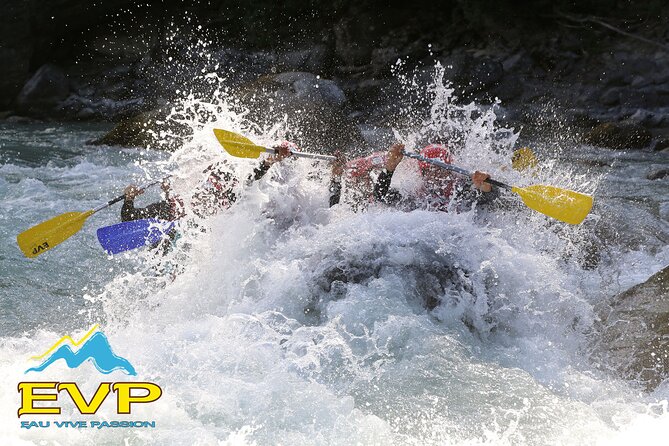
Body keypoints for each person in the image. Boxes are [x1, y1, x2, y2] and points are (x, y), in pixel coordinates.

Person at [329, 143, 498, 211]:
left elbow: (489, 196)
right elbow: (381, 197)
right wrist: (389, 170)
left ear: (449, 171)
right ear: (421, 173)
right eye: (428, 173)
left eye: (440, 172)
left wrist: (485, 183)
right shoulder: (414, 192)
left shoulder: (459, 186)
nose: (435, 177)